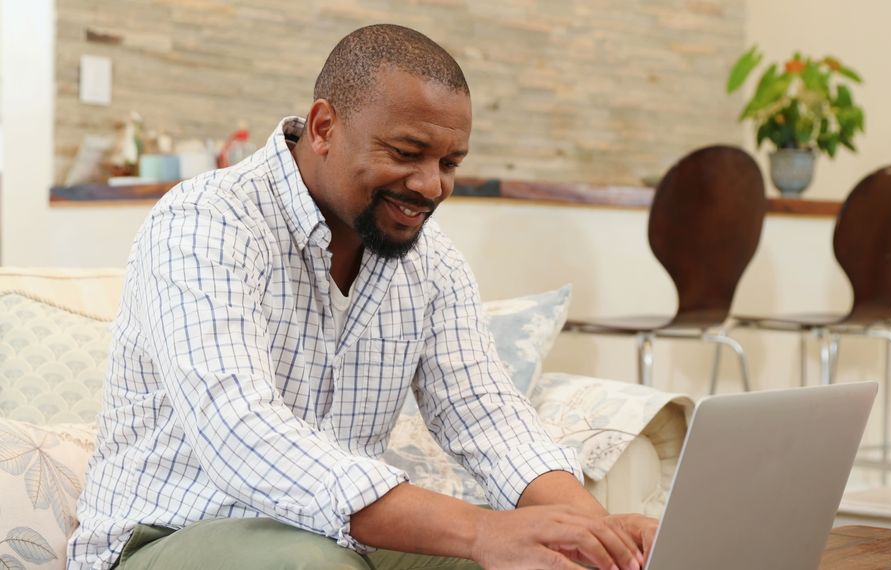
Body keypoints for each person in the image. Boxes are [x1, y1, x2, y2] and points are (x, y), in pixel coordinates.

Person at [69, 23, 658, 570]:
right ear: (324, 127)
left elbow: (491, 421)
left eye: (449, 162)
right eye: (406, 154)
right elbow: (240, 432)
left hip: (333, 538)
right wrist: (481, 530)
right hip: (162, 538)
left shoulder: (432, 263)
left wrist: (603, 538)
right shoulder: (206, 222)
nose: (431, 186)